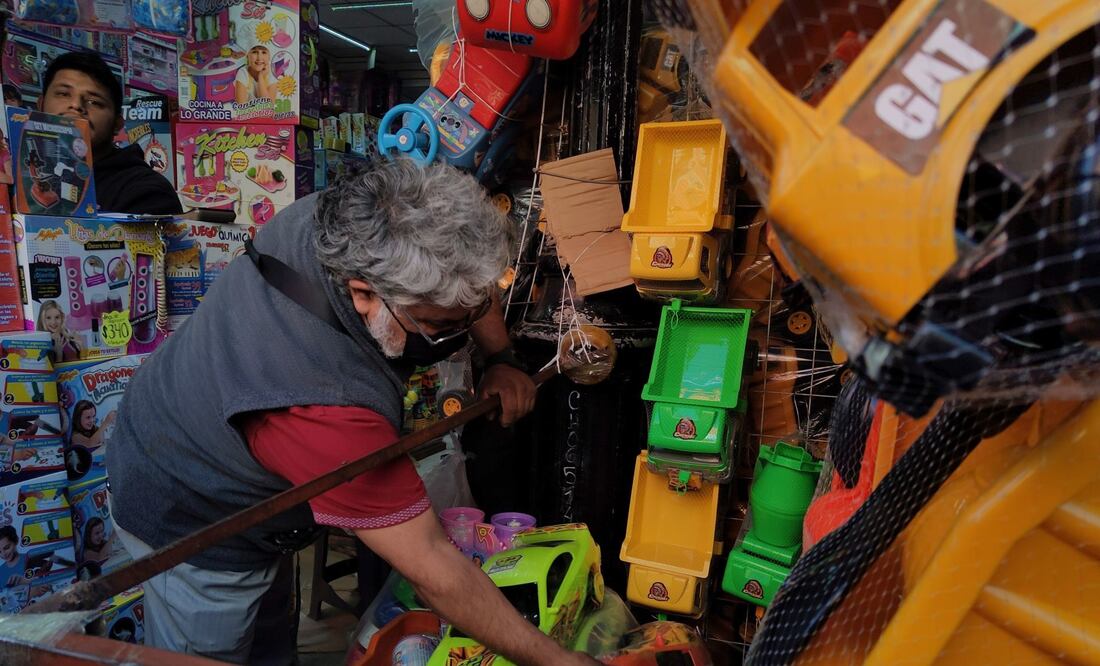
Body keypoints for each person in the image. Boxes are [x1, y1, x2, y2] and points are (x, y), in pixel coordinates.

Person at [107, 159, 587, 666]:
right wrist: (562, 662)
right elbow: (433, 567)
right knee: (216, 649)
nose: (452, 338)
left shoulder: (359, 220)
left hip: (250, 482)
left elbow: (468, 284)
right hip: (189, 515)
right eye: (436, 325)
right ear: (363, 293)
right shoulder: (322, 404)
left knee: (269, 643)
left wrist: (502, 357)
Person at [39, 52, 182, 215]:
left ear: (117, 124)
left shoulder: (147, 191)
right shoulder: (21, 171)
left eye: (94, 102)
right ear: (41, 104)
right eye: (63, 94)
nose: (76, 105)